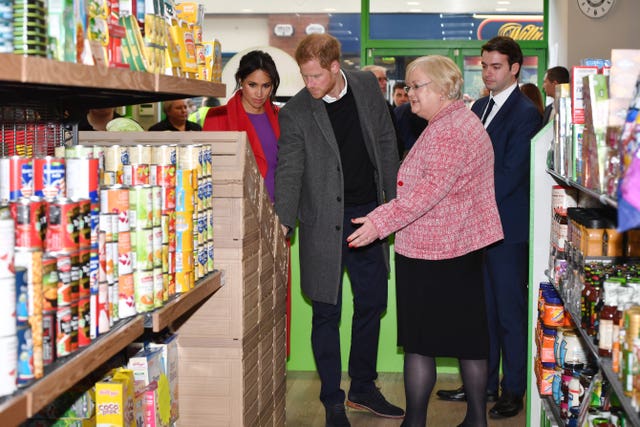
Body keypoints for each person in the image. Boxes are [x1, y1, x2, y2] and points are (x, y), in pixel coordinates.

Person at [347, 54, 503, 427]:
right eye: (408, 86)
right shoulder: (457, 121)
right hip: (455, 248)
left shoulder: (449, 130)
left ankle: (415, 421)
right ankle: (475, 419)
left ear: (442, 87)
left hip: (435, 250)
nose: (408, 93)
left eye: (417, 86)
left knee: (421, 344)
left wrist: (378, 222)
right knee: (468, 340)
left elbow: (427, 192)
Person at [274, 33, 403, 427]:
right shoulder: (295, 112)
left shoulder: (365, 84)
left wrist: (395, 205)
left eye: (315, 76)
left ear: (335, 68)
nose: (308, 84)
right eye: (303, 76)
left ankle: (363, 386)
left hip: (369, 216)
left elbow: (384, 141)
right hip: (321, 224)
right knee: (326, 312)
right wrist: (283, 220)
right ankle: (332, 399)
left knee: (372, 304)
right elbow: (290, 169)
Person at [436, 36, 542, 419]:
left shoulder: (526, 113)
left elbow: (510, 174)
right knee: (478, 313)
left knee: (508, 314)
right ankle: (481, 383)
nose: (488, 72)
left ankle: (513, 390)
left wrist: (464, 198)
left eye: (496, 66)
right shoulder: (478, 107)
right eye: (484, 66)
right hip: (474, 228)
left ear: (515, 68)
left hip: (506, 230)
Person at [203, 50, 280, 201]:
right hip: (234, 210)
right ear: (240, 80)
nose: (259, 93)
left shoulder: (282, 117)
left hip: (276, 211)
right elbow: (206, 173)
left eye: (266, 86)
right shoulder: (217, 117)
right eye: (252, 85)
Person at [362, 64, 405, 158]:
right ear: (364, 82)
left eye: (385, 79)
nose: (384, 83)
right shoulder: (357, 105)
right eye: (379, 79)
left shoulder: (385, 106)